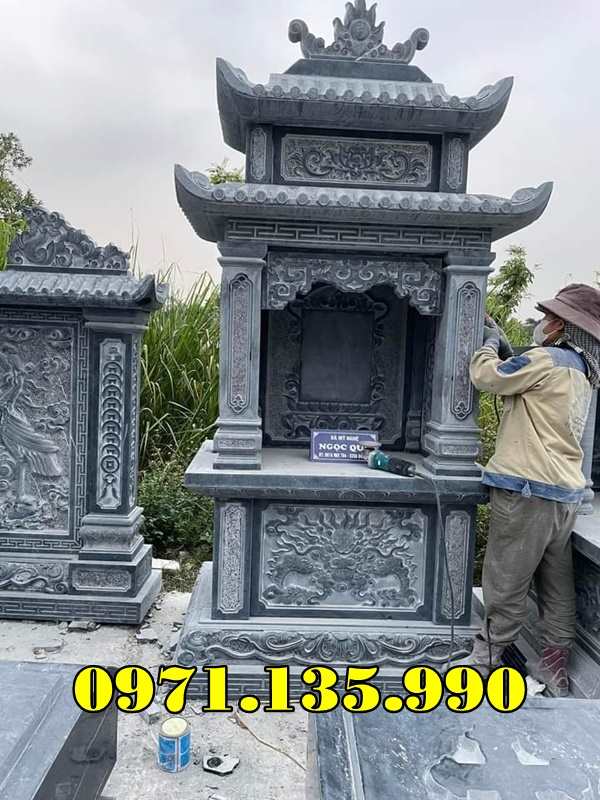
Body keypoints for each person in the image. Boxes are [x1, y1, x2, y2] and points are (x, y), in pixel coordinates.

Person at [462, 283, 600, 696]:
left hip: (527, 491)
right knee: (556, 583)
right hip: (563, 494)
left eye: (548, 317)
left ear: (563, 326)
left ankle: (483, 660)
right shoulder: (582, 370)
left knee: (506, 578)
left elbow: (488, 376)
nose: (543, 322)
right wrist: (504, 343)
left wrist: (488, 343)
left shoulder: (544, 360)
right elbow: (521, 374)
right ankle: (554, 665)